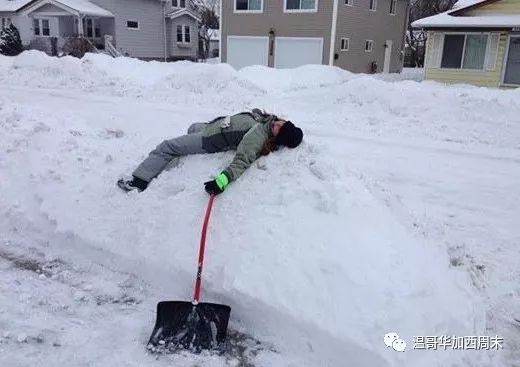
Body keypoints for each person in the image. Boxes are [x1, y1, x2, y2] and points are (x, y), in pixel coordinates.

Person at [117, 108, 303, 195]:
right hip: (211, 128)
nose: (279, 124)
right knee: (191, 127)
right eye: (283, 123)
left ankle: (139, 182)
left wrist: (221, 181)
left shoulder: (258, 136)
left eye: (280, 128)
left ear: (278, 138)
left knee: (167, 146)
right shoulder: (267, 121)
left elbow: (242, 160)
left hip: (209, 140)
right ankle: (174, 162)